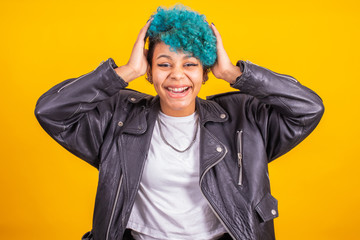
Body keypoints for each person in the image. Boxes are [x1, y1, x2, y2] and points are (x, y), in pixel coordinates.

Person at [35, 4, 324, 240]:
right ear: (149, 72)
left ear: (205, 72)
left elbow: (309, 108)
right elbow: (50, 111)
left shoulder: (243, 119)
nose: (177, 75)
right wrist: (124, 71)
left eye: (190, 64)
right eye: (164, 64)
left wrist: (235, 74)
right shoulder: (118, 118)